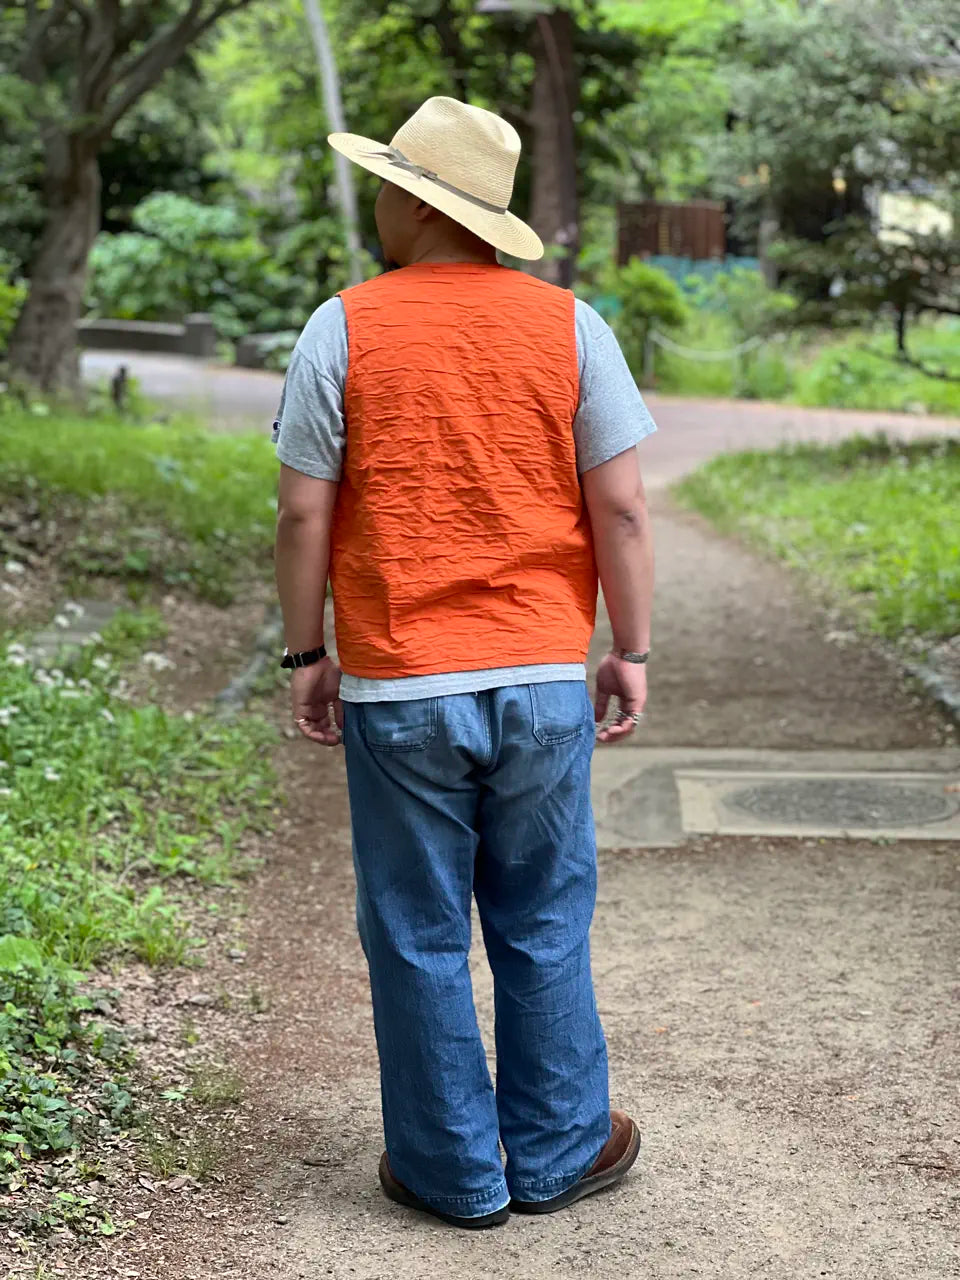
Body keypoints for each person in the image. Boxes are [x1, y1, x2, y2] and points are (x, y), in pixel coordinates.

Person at [273, 97, 655, 1230]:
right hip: (541, 677)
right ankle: (559, 1149)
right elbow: (622, 508)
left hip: (400, 681)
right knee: (543, 915)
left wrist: (308, 652)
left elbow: (304, 513)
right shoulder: (572, 327)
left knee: (416, 925)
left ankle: (450, 1170)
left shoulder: (340, 328)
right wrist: (627, 648)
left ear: (408, 201)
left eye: (387, 187)